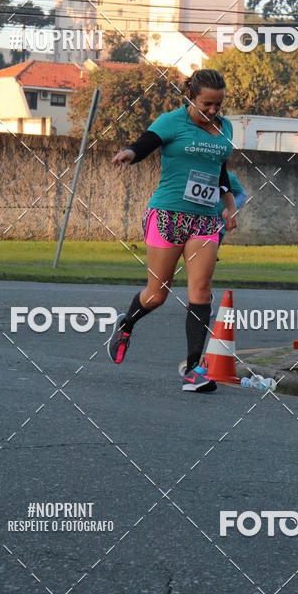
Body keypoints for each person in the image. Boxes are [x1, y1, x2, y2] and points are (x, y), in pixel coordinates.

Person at [109, 69, 236, 392]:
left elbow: (219, 170)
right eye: (207, 104)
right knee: (157, 294)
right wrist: (130, 153)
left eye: (218, 105)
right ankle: (126, 324)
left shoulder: (225, 129)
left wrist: (229, 205)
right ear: (190, 97)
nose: (212, 111)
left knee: (202, 290)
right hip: (167, 214)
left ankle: (194, 370)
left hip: (205, 219)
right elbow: (147, 142)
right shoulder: (171, 121)